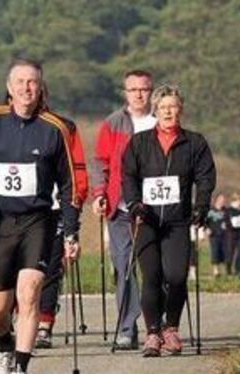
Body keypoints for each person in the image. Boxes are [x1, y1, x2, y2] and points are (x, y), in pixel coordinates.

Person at [0, 58, 81, 374]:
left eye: (33, 82)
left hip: (39, 221)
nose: (27, 88)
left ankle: (21, 367)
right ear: (9, 88)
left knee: (28, 294)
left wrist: (71, 231)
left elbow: (70, 184)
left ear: (40, 88)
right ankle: (5, 344)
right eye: (21, 82)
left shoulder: (54, 129)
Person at [122, 85, 216, 357]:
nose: (168, 111)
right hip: (146, 220)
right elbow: (128, 175)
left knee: (176, 276)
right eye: (163, 107)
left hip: (177, 221)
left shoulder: (194, 142)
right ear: (156, 110)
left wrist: (201, 206)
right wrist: (134, 203)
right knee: (151, 275)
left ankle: (171, 327)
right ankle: (152, 333)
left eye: (173, 106)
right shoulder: (139, 142)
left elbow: (205, 177)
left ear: (181, 110)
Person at [91, 69, 156, 349]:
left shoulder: (161, 120)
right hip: (119, 207)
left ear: (151, 91)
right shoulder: (113, 123)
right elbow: (99, 162)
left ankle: (158, 326)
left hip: (156, 208)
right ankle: (127, 327)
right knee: (124, 267)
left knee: (155, 268)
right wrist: (99, 194)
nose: (139, 94)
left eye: (144, 89)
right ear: (125, 92)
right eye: (133, 90)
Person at [36, 118, 89, 349]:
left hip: (55, 209)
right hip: (18, 212)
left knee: (50, 270)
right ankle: (20, 317)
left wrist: (76, 203)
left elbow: (77, 169)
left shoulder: (63, 127)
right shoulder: (2, 124)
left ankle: (44, 325)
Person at [225, 193, 240, 276]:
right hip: (231, 234)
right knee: (230, 252)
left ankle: (239, 270)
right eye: (239, 200)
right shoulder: (229, 210)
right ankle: (228, 270)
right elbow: (227, 221)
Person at [205, 193, 228, 277]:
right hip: (214, 234)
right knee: (215, 251)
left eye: (224, 200)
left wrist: (227, 225)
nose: (222, 202)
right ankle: (216, 270)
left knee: (223, 252)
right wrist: (207, 228)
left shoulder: (225, 211)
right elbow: (206, 222)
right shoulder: (211, 211)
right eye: (221, 200)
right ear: (217, 200)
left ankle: (223, 270)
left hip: (223, 234)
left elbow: (229, 220)